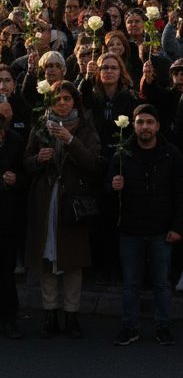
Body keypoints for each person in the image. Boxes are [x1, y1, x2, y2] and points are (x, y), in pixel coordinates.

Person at [23, 81, 102, 339]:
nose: (62, 103)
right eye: (57, 98)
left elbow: (94, 163)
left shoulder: (85, 128)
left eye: (67, 98)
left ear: (75, 101)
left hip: (72, 204)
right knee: (47, 261)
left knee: (72, 262)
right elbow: (26, 161)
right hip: (45, 202)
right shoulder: (40, 125)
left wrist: (70, 140)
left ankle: (72, 316)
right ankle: (49, 316)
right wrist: (38, 159)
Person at [108, 103, 183, 346]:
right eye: (140, 122)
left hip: (161, 231)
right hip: (130, 231)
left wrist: (177, 227)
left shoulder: (171, 153)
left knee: (162, 283)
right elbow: (106, 192)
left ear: (157, 126)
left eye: (150, 122)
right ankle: (129, 327)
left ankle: (163, 327)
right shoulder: (122, 154)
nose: (145, 127)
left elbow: (182, 194)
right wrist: (113, 186)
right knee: (130, 284)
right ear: (133, 125)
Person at [0, 104, 26, 338]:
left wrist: (16, 180)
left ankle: (10, 319)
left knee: (7, 270)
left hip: (8, 217)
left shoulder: (16, 140)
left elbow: (26, 173)